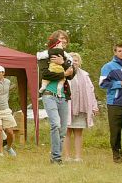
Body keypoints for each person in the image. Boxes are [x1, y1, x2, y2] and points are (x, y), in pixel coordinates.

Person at [38, 30, 75, 164]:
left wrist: (62, 63)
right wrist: (63, 74)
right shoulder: (45, 56)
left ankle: (56, 158)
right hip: (49, 94)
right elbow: (45, 74)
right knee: (56, 125)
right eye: (61, 39)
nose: (64, 41)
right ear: (55, 40)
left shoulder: (66, 57)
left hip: (63, 95)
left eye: (65, 39)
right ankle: (56, 157)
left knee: (63, 129)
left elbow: (72, 74)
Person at [99, 42, 122, 163]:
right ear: (115, 52)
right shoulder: (108, 67)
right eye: (119, 51)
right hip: (114, 102)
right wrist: (119, 84)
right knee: (115, 131)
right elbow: (102, 84)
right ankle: (117, 157)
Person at [66, 53, 99, 162]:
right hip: (67, 107)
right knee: (67, 132)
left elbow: (91, 91)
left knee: (78, 132)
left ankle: (78, 157)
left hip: (81, 107)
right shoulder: (64, 73)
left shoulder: (85, 75)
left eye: (76, 60)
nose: (74, 62)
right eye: (72, 60)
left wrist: (94, 106)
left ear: (79, 62)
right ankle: (67, 156)